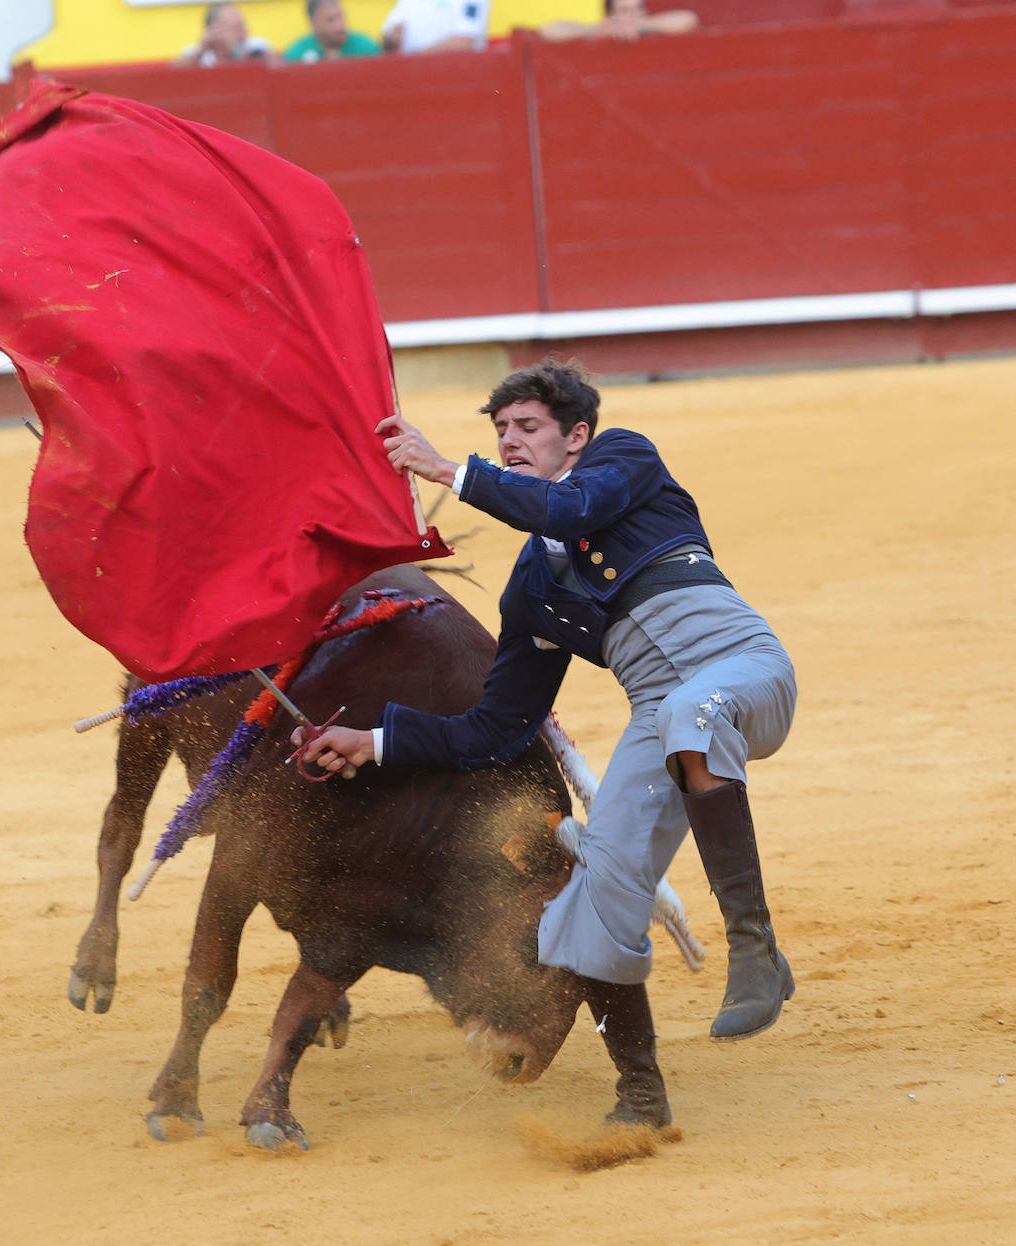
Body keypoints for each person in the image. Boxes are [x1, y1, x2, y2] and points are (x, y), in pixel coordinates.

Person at [297, 359, 796, 1128]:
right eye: (498, 433)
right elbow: (496, 728)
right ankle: (640, 1095)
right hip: (658, 721)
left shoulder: (623, 461)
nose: (509, 443)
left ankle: (755, 948)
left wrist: (446, 470)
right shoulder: (531, 590)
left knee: (690, 714)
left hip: (741, 669)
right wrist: (376, 739)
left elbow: (570, 509)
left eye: (526, 428)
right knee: (591, 905)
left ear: (576, 436)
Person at [540, 0, 698, 43]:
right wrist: (595, 30)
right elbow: (549, 30)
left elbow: (689, 19)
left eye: (638, 8)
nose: (633, 15)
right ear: (611, 14)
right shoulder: (604, 30)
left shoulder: (654, 27)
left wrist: (643, 24)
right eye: (625, 10)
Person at [283, 0, 381, 64]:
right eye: (330, 20)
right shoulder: (296, 55)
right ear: (313, 24)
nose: (339, 26)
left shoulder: (367, 49)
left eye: (341, 17)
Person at [176, 3, 271, 67]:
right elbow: (175, 79)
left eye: (243, 26)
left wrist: (235, 53)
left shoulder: (257, 46)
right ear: (214, 31)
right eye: (236, 28)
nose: (244, 32)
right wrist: (201, 51)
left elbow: (275, 68)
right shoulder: (194, 53)